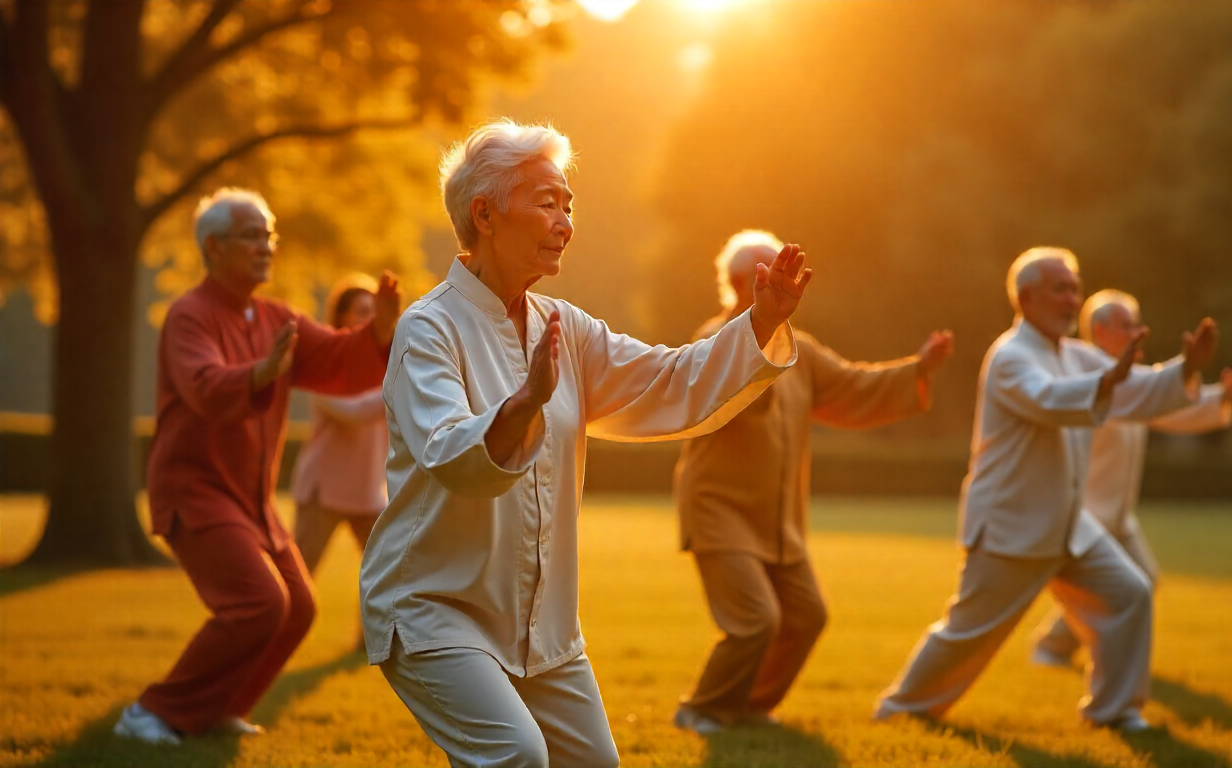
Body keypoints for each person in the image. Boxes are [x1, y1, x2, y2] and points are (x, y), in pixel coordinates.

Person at [359, 120, 813, 768]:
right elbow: (449, 454)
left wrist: (761, 322)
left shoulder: (565, 328)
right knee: (517, 756)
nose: (566, 221)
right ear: (484, 214)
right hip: (435, 609)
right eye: (547, 202)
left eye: (569, 205)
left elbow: (669, 379)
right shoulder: (428, 329)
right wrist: (523, 403)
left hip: (541, 627)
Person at [872, 247, 1218, 732]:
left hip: (1069, 524)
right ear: (1027, 297)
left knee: (1129, 594)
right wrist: (1107, 381)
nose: (1071, 298)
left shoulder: (1075, 355)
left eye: (1075, 288)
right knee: (967, 633)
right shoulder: (1010, 357)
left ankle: (1114, 710)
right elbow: (1050, 400)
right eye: (1061, 288)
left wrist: (1183, 370)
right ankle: (900, 709)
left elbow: (1133, 388)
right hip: (1011, 526)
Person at [113, 188, 402, 745]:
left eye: (268, 235)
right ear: (213, 247)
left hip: (252, 500)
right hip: (195, 492)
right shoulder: (188, 316)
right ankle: (152, 711)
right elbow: (201, 388)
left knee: (296, 609)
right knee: (259, 602)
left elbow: (338, 360)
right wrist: (260, 373)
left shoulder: (277, 316)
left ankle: (221, 709)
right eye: (252, 235)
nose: (266, 246)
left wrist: (379, 333)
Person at [672, 230, 954, 734]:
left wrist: (917, 371)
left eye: (787, 273)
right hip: (720, 511)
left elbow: (851, 386)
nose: (783, 283)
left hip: (780, 521)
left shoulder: (799, 347)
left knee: (806, 616)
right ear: (740, 283)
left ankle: (751, 707)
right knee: (757, 622)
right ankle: (701, 709)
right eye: (768, 274)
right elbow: (709, 402)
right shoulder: (712, 340)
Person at [1030, 289, 1232, 667]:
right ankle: (1059, 649)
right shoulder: (1086, 384)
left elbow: (1170, 408)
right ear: (1099, 332)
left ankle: (1059, 646)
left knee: (1142, 580)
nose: (1137, 331)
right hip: (1088, 516)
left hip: (1119, 516)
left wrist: (1220, 398)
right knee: (1118, 590)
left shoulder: (1132, 385)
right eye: (1126, 325)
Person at [289, 273, 390, 642]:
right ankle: (264, 640)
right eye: (362, 310)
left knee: (385, 569)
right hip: (324, 489)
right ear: (342, 317)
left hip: (368, 491)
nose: (370, 317)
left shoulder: (385, 364)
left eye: (374, 310)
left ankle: (369, 644)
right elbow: (353, 412)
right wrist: (396, 386)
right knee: (298, 574)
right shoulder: (325, 364)